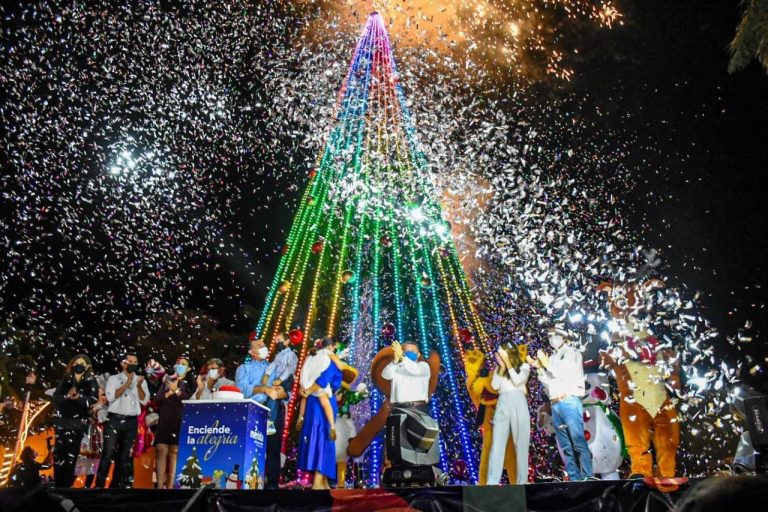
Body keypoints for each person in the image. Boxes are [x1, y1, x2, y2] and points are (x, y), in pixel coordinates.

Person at [528, 328, 593, 481]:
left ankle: (588, 477)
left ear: (564, 337)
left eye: (555, 336)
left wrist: (545, 363)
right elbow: (548, 381)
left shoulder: (572, 353)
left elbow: (564, 373)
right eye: (550, 337)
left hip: (569, 401)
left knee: (577, 440)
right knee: (565, 446)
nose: (552, 340)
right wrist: (538, 368)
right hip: (556, 404)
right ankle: (575, 479)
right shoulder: (552, 357)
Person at [95, 352, 149, 488]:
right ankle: (99, 485)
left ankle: (116, 485)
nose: (133, 364)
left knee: (124, 455)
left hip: (131, 421)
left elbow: (145, 400)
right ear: (123, 363)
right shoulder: (113, 379)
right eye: (129, 361)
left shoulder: (141, 380)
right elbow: (111, 397)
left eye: (135, 362)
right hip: (114, 419)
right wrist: (127, 384)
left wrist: (137, 385)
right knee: (108, 452)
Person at [297, 337, 343, 490]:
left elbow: (303, 381)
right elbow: (329, 379)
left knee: (313, 435)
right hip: (324, 398)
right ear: (331, 347)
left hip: (310, 400)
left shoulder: (311, 357)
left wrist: (307, 390)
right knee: (325, 436)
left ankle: (322, 480)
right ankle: (318, 479)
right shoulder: (328, 358)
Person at [51, 354, 99, 488]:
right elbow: (56, 398)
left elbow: (92, 400)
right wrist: (67, 396)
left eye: (82, 363)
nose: (79, 365)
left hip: (78, 425)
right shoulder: (65, 380)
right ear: (72, 365)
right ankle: (58, 482)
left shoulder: (90, 382)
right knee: (59, 453)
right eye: (76, 363)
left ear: (87, 366)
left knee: (72, 455)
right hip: (62, 422)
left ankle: (67, 484)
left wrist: (78, 397)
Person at [487, 345, 531, 485]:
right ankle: (492, 482)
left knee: (521, 444)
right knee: (497, 444)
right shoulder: (500, 368)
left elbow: (518, 381)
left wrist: (508, 364)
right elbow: (494, 386)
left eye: (502, 352)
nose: (499, 355)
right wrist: (501, 367)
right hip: (502, 403)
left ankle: (521, 482)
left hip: (518, 401)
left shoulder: (524, 366)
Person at [154, 356, 194, 488]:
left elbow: (187, 399)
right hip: (165, 419)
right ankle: (159, 486)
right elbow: (158, 400)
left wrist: (176, 390)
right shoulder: (166, 380)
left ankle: (170, 486)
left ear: (188, 369)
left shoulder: (189, 383)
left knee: (174, 451)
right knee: (161, 449)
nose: (179, 365)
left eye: (183, 364)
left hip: (179, 420)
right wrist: (169, 391)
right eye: (178, 363)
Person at [261, 332, 298, 435]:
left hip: (286, 379)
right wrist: (267, 374)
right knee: (271, 396)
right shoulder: (279, 355)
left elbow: (290, 369)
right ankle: (269, 418)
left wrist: (281, 379)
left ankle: (270, 422)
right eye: (276, 341)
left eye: (279, 340)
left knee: (274, 394)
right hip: (278, 379)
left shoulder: (291, 355)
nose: (277, 342)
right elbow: (273, 364)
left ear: (287, 342)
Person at [76, 383, 107, 488]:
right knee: (86, 460)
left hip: (99, 436)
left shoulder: (106, 408)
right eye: (101, 395)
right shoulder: (90, 405)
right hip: (89, 435)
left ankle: (91, 484)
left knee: (96, 461)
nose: (103, 397)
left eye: (104, 395)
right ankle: (84, 484)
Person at [235, 338, 272, 403]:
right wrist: (263, 389)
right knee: (260, 397)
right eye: (260, 346)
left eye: (264, 346)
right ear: (252, 352)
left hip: (273, 407)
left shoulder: (273, 367)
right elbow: (241, 389)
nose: (264, 348)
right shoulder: (244, 368)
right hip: (252, 407)